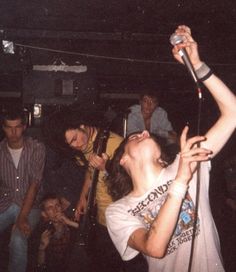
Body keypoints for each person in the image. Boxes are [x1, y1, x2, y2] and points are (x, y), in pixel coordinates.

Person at [105, 25, 236, 272]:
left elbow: (233, 113)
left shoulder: (184, 162)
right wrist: (180, 182)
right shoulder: (118, 210)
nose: (145, 131)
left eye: (145, 132)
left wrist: (198, 67)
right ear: (122, 159)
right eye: (134, 136)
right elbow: (155, 247)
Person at [44, 107, 140, 272]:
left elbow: (134, 182)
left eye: (75, 138)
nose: (76, 145)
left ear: (82, 125)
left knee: (130, 264)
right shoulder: (86, 146)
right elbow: (90, 172)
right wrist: (83, 197)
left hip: (124, 217)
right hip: (102, 217)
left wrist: (107, 167)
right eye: (71, 143)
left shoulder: (114, 144)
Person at [0, 107, 46, 272]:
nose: (13, 132)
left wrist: (22, 217)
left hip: (30, 204)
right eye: (9, 127)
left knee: (18, 239)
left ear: (24, 127)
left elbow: (34, 184)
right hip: (5, 202)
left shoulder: (37, 148)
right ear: (3, 127)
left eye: (17, 127)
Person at [36, 193, 79, 272]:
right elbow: (40, 267)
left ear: (62, 208)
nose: (55, 210)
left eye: (57, 205)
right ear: (44, 214)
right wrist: (42, 248)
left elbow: (89, 234)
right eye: (50, 208)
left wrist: (69, 222)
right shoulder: (43, 232)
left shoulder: (71, 222)